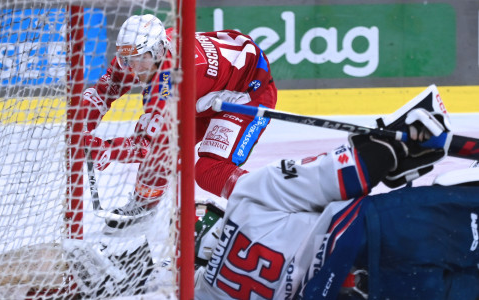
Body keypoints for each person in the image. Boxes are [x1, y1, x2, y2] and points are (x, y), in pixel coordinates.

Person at [193, 102, 479, 299]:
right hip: (384, 233)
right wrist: (397, 144)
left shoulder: (211, 294)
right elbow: (337, 175)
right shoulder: (247, 198)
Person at [83, 14, 277, 227]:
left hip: (245, 94)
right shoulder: (139, 52)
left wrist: (108, 150)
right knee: (166, 147)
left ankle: (270, 203)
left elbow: (150, 145)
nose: (134, 68)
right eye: (127, 60)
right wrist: (81, 125)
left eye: (140, 59)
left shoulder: (172, 81)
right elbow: (103, 91)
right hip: (206, 94)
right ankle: (144, 203)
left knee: (209, 170)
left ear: (157, 52)